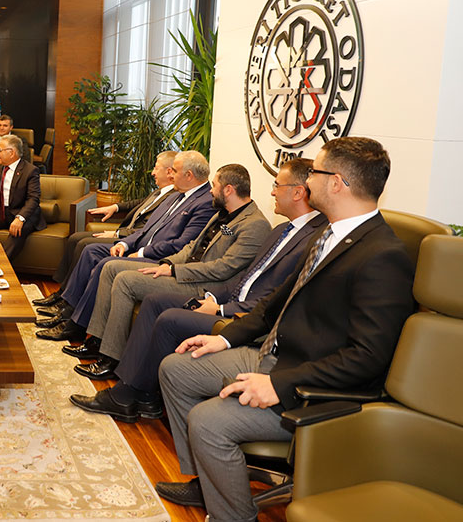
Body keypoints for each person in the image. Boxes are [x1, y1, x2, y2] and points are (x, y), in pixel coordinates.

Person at [154, 137, 414, 522]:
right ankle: (208, 482)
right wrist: (223, 337)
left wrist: (279, 384)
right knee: (176, 368)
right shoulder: (327, 234)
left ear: (337, 183)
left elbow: (367, 357)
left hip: (312, 389)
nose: (307, 182)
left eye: (315, 173)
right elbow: (273, 304)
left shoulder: (383, 255)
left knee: (208, 422)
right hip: (275, 356)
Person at [69, 158, 326, 422]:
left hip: (237, 310)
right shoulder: (278, 229)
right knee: (150, 299)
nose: (271, 192)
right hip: (220, 293)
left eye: (277, 185)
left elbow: (238, 275)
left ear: (297, 192)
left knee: (154, 305)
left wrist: (218, 305)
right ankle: (139, 393)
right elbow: (232, 270)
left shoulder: (288, 232)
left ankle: (125, 389)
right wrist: (170, 266)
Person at [72, 164, 271, 380]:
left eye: (214, 185)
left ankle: (110, 358)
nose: (211, 191)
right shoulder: (222, 213)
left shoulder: (255, 224)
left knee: (125, 281)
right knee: (111, 267)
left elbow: (223, 268)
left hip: (203, 285)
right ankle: (97, 341)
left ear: (229, 190)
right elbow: (191, 247)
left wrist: (175, 270)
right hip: (184, 270)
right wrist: (167, 264)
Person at [37, 151, 214, 342]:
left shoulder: (204, 203)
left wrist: (141, 252)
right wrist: (124, 243)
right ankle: (67, 309)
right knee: (91, 250)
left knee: (105, 265)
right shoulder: (177, 194)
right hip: (139, 245)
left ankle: (75, 325)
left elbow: (181, 245)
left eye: (175, 171)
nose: (171, 176)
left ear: (189, 175)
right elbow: (146, 229)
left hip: (159, 258)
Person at [39, 150, 177, 295]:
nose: (152, 173)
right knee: (74, 238)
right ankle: (61, 288)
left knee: (84, 244)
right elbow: (139, 203)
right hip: (126, 234)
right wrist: (115, 207)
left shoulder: (172, 198)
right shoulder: (159, 191)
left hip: (131, 239)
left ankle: (65, 294)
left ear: (169, 172)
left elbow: (149, 229)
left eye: (156, 168)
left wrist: (117, 233)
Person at [0, 134, 46, 260]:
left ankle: (0, 262)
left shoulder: (30, 171)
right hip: (0, 212)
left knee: (17, 231)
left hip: (22, 213)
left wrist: (20, 218)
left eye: (0, 150)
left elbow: (33, 199)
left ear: (11, 153)